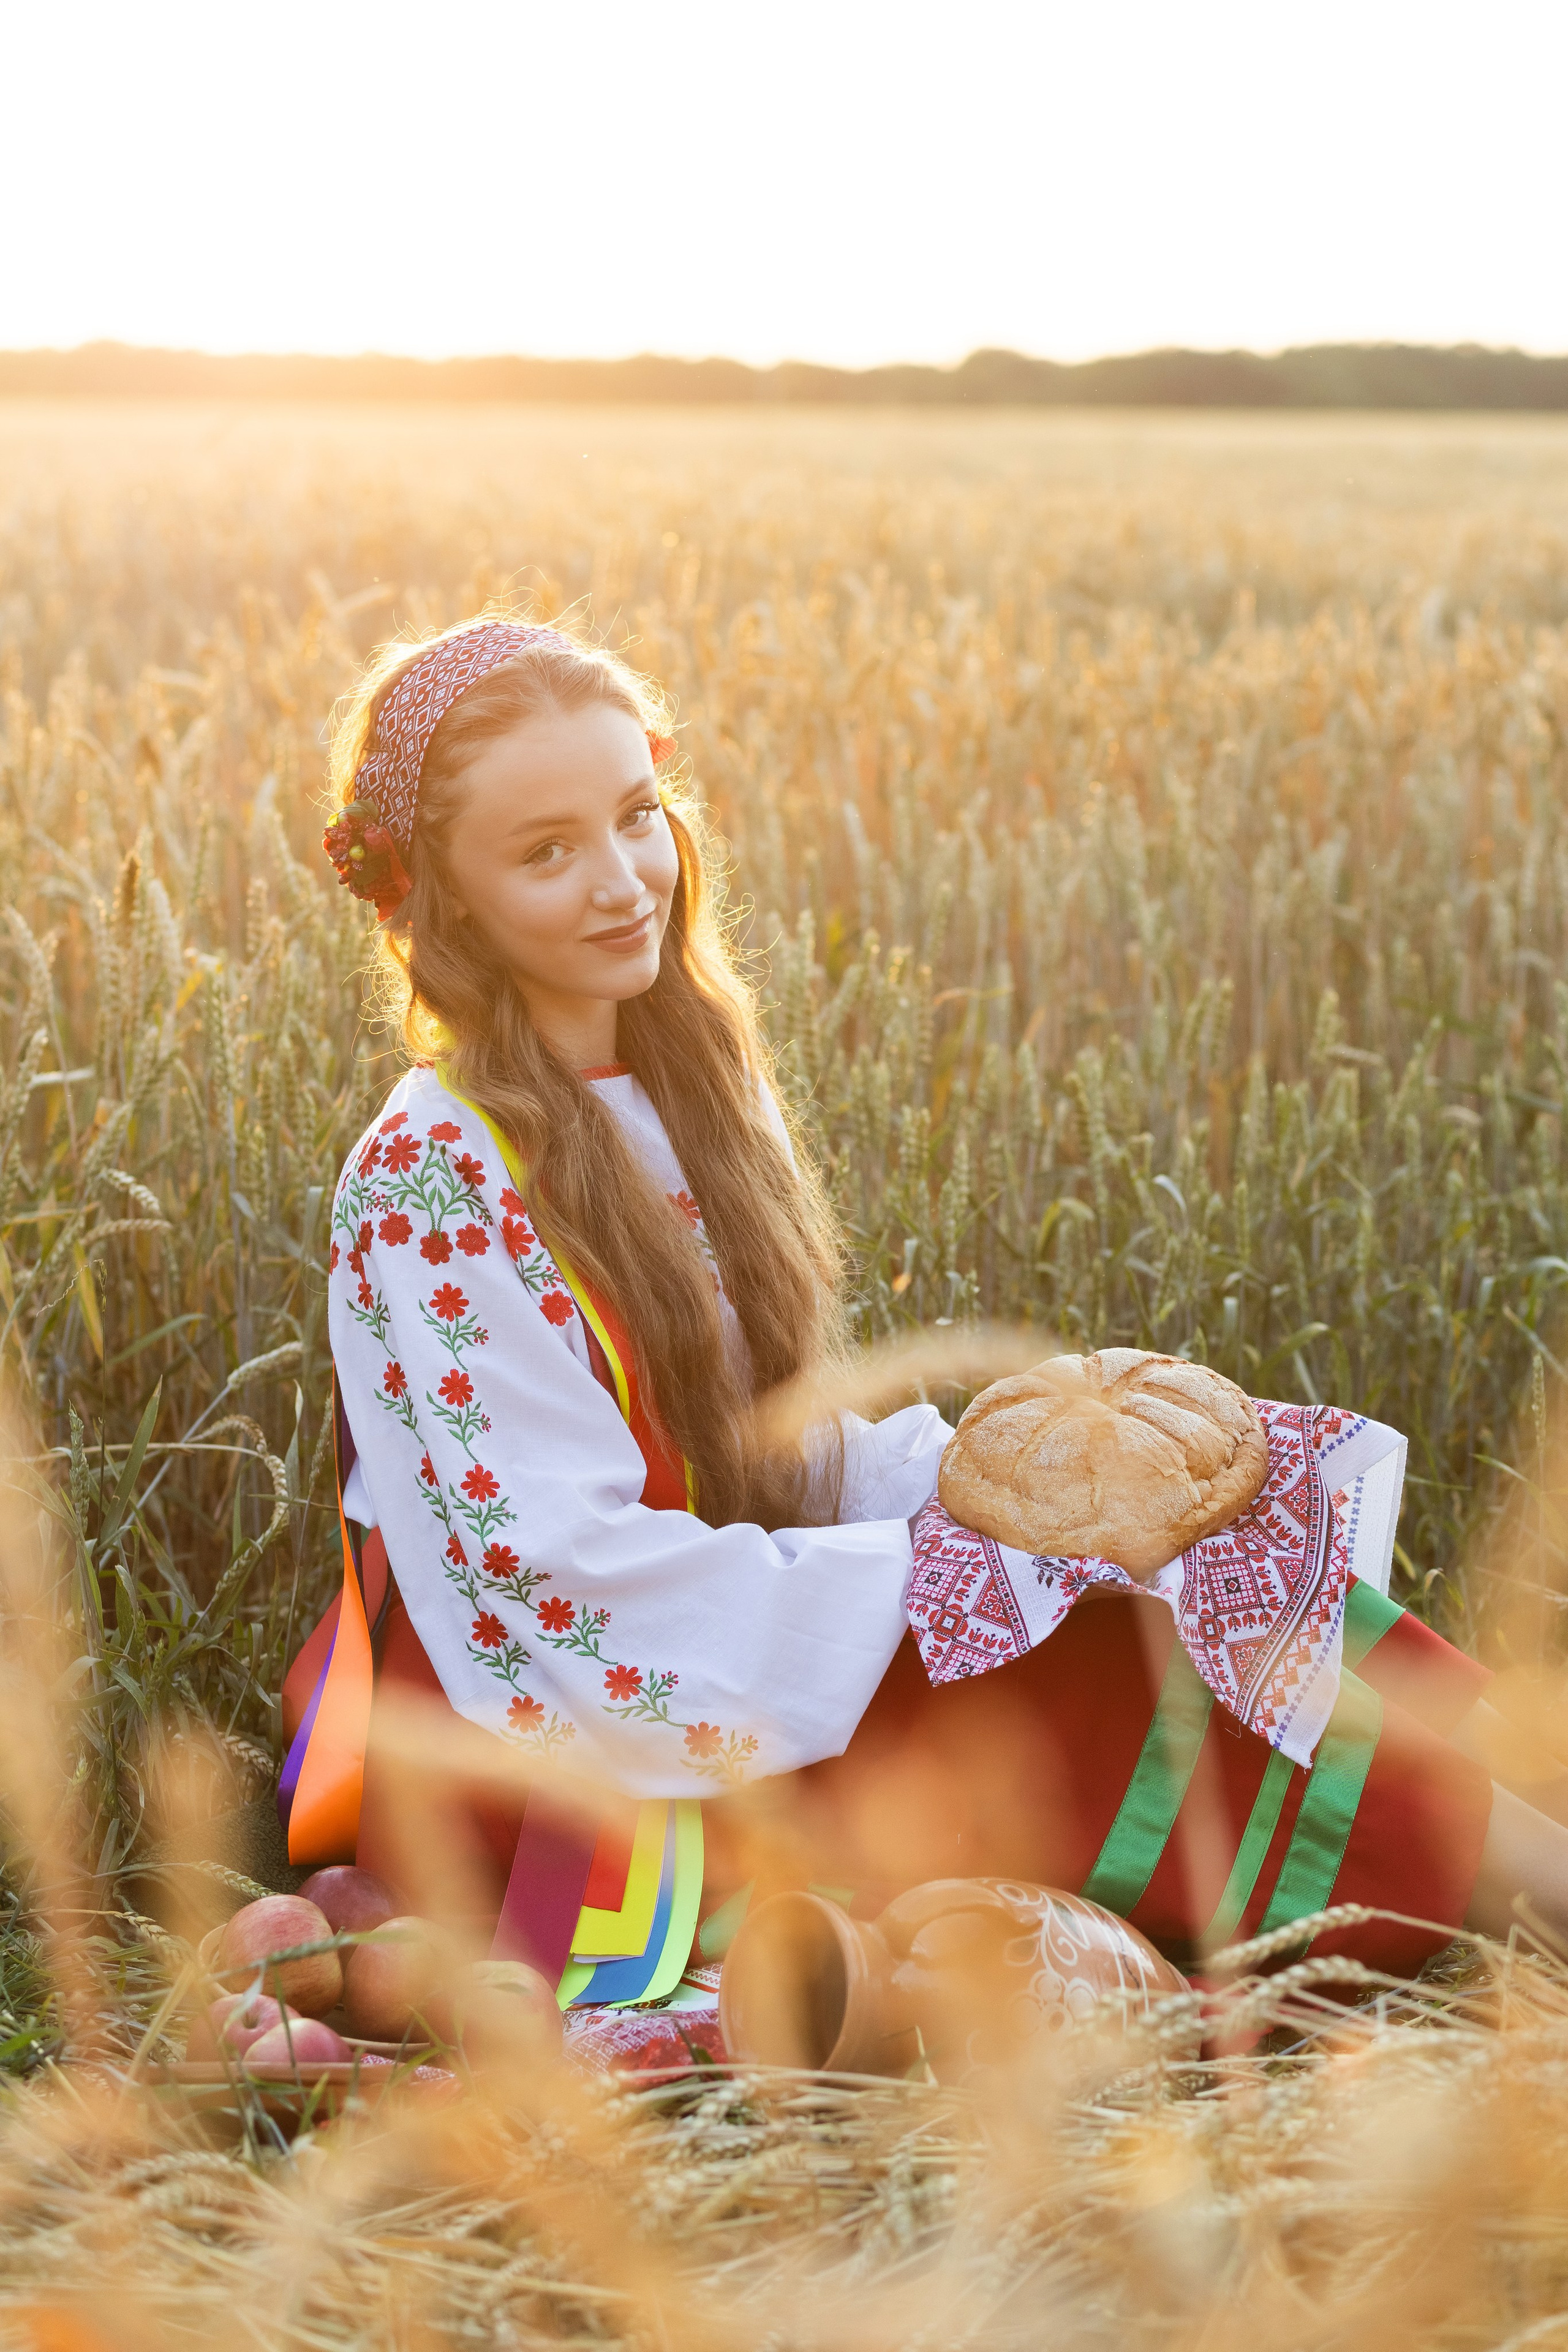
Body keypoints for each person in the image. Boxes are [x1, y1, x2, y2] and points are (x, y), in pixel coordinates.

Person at [293, 610, 1568, 2009]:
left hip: (743, 1617)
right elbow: (555, 1579)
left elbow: (772, 1440)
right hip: (588, 1730)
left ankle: (1521, 1812)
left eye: (636, 817)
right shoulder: (431, 1179)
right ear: (441, 899)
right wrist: (928, 1585)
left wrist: (990, 1490)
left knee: (1201, 1542)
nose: (621, 882)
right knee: (1091, 1664)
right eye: (546, 853)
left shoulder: (689, 1093)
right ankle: (1515, 1883)